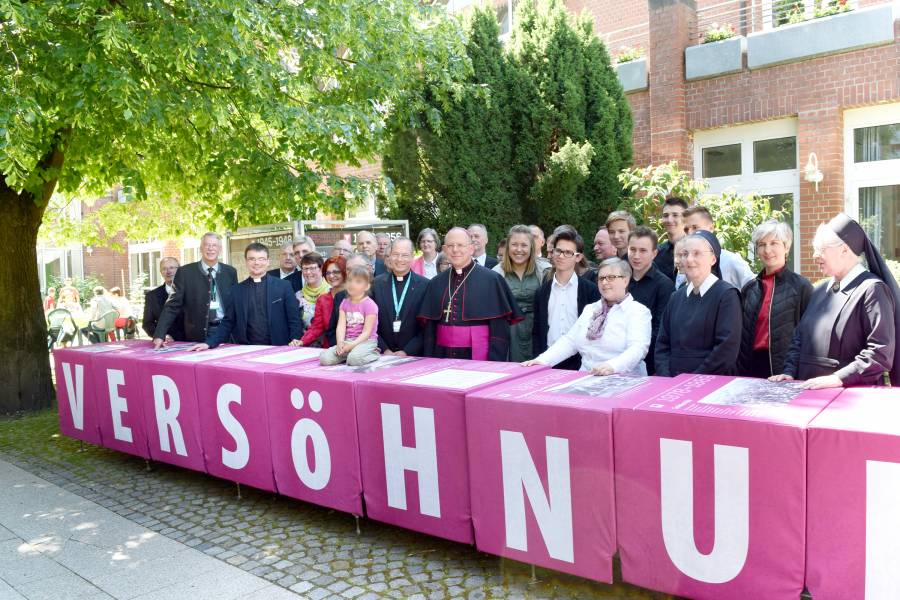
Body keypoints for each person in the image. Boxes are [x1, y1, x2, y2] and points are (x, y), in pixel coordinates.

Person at [771, 214, 900, 389]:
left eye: (822, 249)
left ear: (844, 250)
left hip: (850, 397)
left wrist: (838, 378)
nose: (815, 255)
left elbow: (880, 353)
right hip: (808, 391)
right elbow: (799, 339)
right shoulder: (819, 290)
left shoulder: (872, 290)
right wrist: (789, 372)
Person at [524, 258, 651, 376]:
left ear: (625, 280)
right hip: (586, 377)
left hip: (624, 379)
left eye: (611, 277)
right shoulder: (590, 309)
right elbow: (570, 341)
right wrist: (542, 360)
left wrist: (612, 366)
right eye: (601, 278)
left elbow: (638, 349)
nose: (605, 282)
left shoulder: (638, 311)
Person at [419, 227, 523, 361]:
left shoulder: (492, 280)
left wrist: (495, 364)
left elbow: (499, 331)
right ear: (444, 250)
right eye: (450, 246)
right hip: (441, 355)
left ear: (471, 248)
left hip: (480, 357)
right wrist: (429, 360)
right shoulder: (435, 283)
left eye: (460, 245)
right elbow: (429, 331)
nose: (455, 250)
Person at [655, 231, 742, 376]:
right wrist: (666, 377)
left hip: (710, 382)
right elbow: (662, 344)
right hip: (672, 382)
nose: (689, 259)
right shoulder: (675, 297)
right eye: (685, 254)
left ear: (713, 259)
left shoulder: (727, 295)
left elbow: (726, 350)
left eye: (697, 253)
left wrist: (693, 379)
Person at [737, 220, 813, 378]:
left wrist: (792, 371)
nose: (767, 250)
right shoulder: (750, 289)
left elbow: (808, 336)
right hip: (750, 367)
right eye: (762, 244)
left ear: (786, 247)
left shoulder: (801, 287)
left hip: (785, 370)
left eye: (774, 243)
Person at [190, 243, 302, 350]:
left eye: (261, 259)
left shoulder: (283, 286)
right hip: (247, 349)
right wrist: (209, 343)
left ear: (268, 261)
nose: (256, 263)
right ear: (246, 262)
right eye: (252, 259)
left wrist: (295, 340)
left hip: (278, 348)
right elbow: (228, 322)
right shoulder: (237, 290)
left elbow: (294, 319)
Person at [153, 232, 238, 347]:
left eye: (214, 245)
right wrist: (159, 334)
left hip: (226, 332)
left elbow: (234, 305)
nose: (210, 249)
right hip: (197, 335)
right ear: (201, 248)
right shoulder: (185, 273)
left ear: (220, 249)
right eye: (207, 245)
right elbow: (172, 305)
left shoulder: (230, 272)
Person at [532, 229, 600, 370]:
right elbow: (537, 330)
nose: (561, 256)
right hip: (548, 359)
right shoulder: (542, 291)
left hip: (580, 361)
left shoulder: (590, 290)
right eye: (558, 251)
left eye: (568, 253)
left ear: (578, 257)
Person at [493, 225, 549, 362]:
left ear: (531, 247)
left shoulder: (545, 271)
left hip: (537, 329)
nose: (519, 249)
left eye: (524, 245)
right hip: (508, 332)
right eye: (514, 245)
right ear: (507, 247)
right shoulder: (495, 274)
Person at [626, 226, 674, 375]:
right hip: (614, 356)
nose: (636, 256)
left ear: (654, 253)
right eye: (632, 249)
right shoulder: (620, 278)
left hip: (648, 362)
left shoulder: (664, 285)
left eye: (643, 250)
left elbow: (660, 330)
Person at [372, 238, 428, 357]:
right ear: (390, 256)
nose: (399, 259)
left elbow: (427, 327)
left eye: (405, 255)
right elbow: (369, 323)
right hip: (381, 354)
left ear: (412, 257)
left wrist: (407, 351)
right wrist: (384, 349)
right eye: (396, 254)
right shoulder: (376, 284)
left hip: (414, 356)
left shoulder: (425, 285)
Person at [319, 266, 380, 366]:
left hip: (366, 341)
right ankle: (349, 354)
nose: (352, 284)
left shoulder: (370, 305)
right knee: (324, 359)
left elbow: (367, 332)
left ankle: (373, 353)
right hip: (348, 340)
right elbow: (341, 326)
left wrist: (353, 345)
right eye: (350, 280)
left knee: (354, 360)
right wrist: (340, 343)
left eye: (358, 282)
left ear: (367, 286)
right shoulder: (344, 303)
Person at [683, 206, 755, 289]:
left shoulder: (730, 261)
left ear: (711, 228)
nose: (690, 233)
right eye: (686, 230)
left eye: (695, 227)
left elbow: (754, 292)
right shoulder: (684, 265)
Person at [298, 256, 345, 348]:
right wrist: (301, 341)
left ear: (345, 272)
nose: (331, 276)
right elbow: (316, 327)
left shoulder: (355, 295)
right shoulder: (323, 299)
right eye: (328, 273)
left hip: (355, 345)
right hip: (330, 348)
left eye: (336, 272)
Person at [142, 257, 184, 341]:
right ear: (161, 272)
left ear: (179, 270)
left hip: (192, 342)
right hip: (166, 344)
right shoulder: (152, 296)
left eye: (172, 267)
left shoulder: (192, 292)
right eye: (164, 269)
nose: (168, 271)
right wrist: (161, 336)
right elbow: (147, 324)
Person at [653, 197, 688, 281]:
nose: (669, 220)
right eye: (666, 215)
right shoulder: (657, 253)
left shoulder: (695, 251)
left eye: (675, 215)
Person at [297, 253, 329, 330]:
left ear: (321, 269)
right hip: (304, 340)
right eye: (305, 268)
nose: (308, 272)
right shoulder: (298, 296)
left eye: (312, 268)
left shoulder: (332, 292)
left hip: (330, 340)